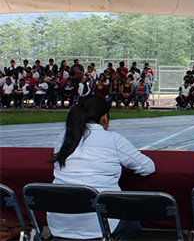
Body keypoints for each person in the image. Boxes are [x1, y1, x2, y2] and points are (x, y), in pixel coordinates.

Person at [48, 95, 155, 239]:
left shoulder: (64, 138)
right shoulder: (112, 139)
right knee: (133, 221)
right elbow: (148, 167)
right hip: (100, 224)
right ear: (104, 118)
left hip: (59, 224)